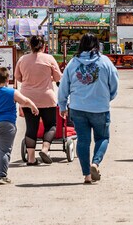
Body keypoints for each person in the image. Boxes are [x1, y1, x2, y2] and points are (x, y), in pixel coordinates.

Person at [58, 33, 118, 184]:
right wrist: (107, 98)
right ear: (97, 44)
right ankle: (95, 163)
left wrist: (63, 105)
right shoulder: (105, 62)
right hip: (100, 108)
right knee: (102, 138)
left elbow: (64, 86)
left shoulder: (72, 63)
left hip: (78, 108)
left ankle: (87, 175)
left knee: (83, 141)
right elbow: (114, 84)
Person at [14, 34, 62, 165]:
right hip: (46, 97)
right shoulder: (49, 58)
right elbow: (58, 78)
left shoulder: (22, 59)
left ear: (30, 45)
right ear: (44, 46)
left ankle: (30, 158)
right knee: (51, 125)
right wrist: (49, 78)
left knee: (31, 127)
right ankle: (45, 149)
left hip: (27, 98)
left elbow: (18, 77)